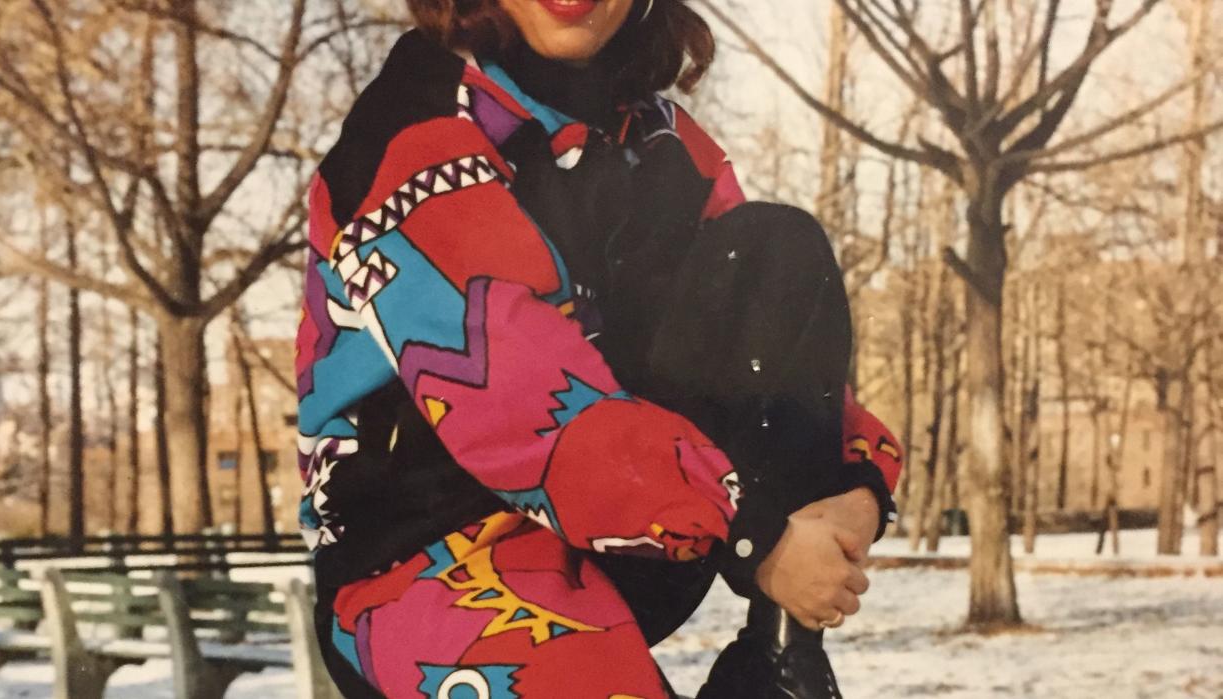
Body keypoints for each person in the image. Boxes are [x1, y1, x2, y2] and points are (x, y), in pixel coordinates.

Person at [294, 1, 903, 697]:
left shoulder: (664, 140)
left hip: (640, 531)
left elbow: (773, 333)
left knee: (770, 249)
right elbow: (522, 404)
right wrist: (755, 536)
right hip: (422, 561)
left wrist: (857, 484)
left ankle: (778, 653)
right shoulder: (412, 134)